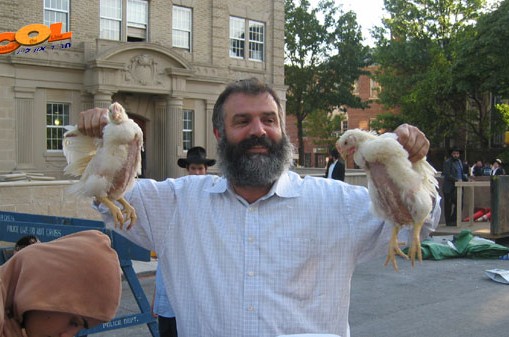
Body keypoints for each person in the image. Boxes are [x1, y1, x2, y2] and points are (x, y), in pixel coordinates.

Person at [79, 78, 440, 337]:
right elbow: (108, 195)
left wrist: (411, 165)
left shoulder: (336, 203)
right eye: (243, 121)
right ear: (219, 134)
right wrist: (101, 142)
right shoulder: (176, 204)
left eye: (269, 119)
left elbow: (419, 221)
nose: (259, 130)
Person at [0, 230, 122, 337]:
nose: (67, 335)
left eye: (78, 330)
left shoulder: (11, 318)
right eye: (74, 322)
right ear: (49, 284)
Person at [152, 146, 216, 337]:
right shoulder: (174, 194)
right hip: (171, 281)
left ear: (206, 170)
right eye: (193, 169)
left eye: (201, 169)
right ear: (187, 170)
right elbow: (164, 252)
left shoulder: (213, 196)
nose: (197, 173)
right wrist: (157, 296)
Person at [442, 147, 468, 226]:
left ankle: (454, 220)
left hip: (458, 187)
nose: (456, 155)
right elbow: (447, 174)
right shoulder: (448, 162)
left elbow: (462, 174)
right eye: (454, 154)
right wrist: (456, 180)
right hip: (449, 187)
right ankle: (449, 222)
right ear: (451, 154)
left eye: (457, 154)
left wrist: (467, 179)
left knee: (460, 204)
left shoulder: (459, 162)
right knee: (448, 205)